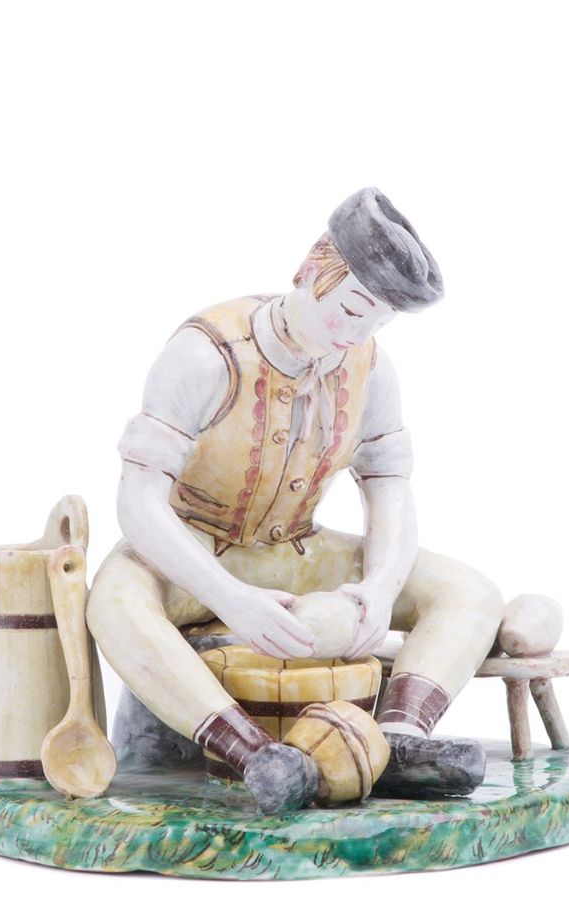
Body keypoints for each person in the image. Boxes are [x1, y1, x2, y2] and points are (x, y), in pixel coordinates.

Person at [87, 187, 504, 813]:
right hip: (194, 548)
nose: (357, 334)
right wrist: (230, 597)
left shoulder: (370, 366)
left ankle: (398, 739)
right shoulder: (207, 356)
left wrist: (381, 587)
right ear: (310, 272)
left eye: (377, 321)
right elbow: (138, 502)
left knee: (469, 592)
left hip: (299, 548)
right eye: (352, 308)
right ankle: (258, 755)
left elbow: (389, 486)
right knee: (115, 601)